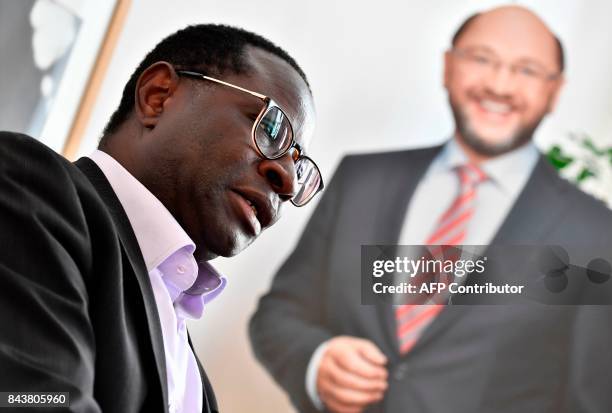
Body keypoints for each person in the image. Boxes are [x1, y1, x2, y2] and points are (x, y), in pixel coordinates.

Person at [250, 6, 612, 413]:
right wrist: (315, 363)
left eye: (527, 70)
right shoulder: (361, 180)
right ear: (447, 66)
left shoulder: (598, 232)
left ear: (554, 91)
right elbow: (279, 313)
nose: (499, 84)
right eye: (482, 59)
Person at [0, 24, 322, 413]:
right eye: (271, 128)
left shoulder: (197, 384)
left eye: (300, 167)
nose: (286, 179)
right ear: (158, 97)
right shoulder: (30, 186)